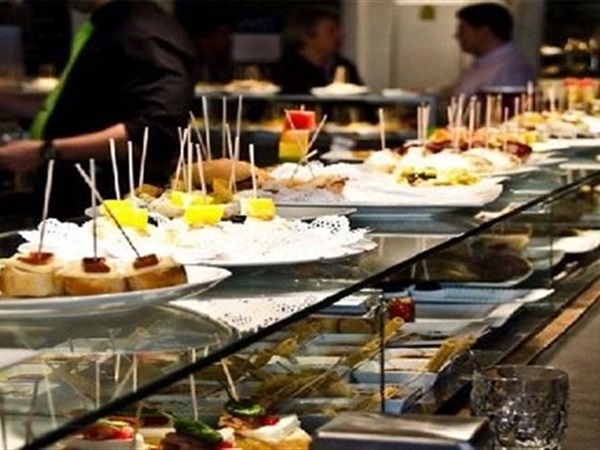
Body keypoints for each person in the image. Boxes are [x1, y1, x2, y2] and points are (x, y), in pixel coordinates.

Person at [0, 0, 196, 219]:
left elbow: (155, 132)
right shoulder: (106, 25)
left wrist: (45, 150)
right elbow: (76, 108)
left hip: (113, 205)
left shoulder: (144, 32)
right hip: (73, 195)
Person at [446, 2, 535, 98]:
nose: (457, 36)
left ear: (484, 32)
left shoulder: (510, 70)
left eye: (462, 30)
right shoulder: (484, 63)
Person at [273, 6, 363, 94]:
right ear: (308, 37)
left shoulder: (344, 66)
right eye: (331, 31)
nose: (340, 35)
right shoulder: (285, 71)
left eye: (338, 30)